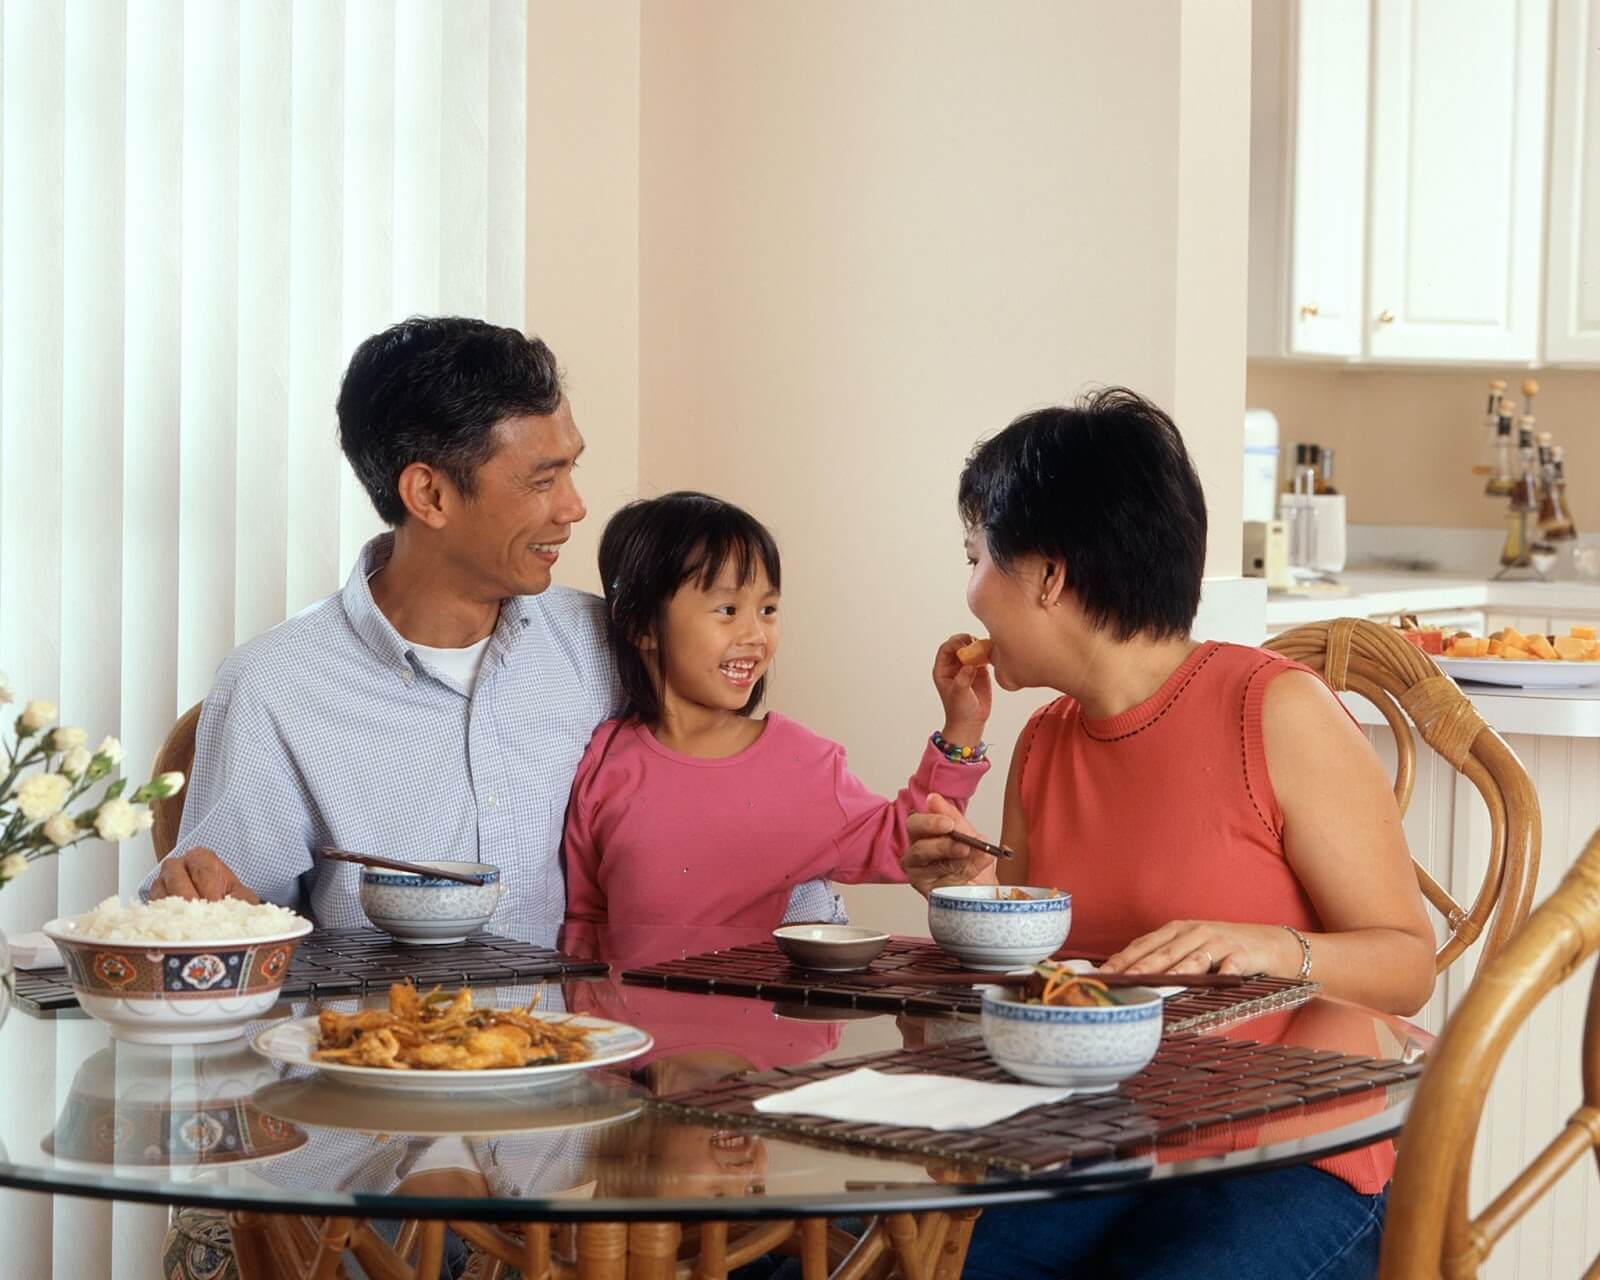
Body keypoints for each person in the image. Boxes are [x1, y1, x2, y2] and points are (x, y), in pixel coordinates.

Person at [900, 388, 1434, 1280]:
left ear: (1049, 575)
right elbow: (1046, 982)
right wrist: (966, 898)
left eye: (978, 557)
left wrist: (1267, 947)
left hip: (1294, 1143)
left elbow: (1407, 966)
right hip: (1105, 1136)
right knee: (909, 1264)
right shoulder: (1042, 743)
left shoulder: (1274, 711)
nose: (971, 593)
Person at [142, 318, 838, 937]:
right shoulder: (278, 687)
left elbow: (749, 810)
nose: (574, 507)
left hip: (617, 1067)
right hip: (385, 1068)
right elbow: (216, 926)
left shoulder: (614, 646)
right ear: (431, 494)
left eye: (572, 469)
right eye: (542, 480)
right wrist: (202, 912)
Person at [562, 491, 992, 927]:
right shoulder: (605, 760)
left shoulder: (802, 762)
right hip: (620, 998)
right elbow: (586, 919)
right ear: (640, 625)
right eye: (727, 610)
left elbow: (907, 838)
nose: (756, 634)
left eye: (767, 609)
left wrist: (963, 726)